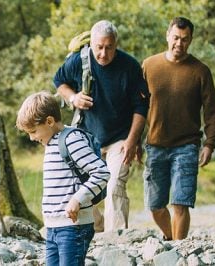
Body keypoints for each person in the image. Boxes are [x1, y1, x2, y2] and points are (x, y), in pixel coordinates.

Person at [54, 20, 149, 232]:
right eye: (99, 47)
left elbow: (141, 107)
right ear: (92, 44)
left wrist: (133, 141)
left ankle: (116, 238)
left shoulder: (130, 66)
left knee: (114, 185)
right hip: (87, 137)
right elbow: (59, 81)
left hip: (121, 138)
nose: (103, 53)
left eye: (109, 47)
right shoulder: (80, 61)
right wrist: (73, 98)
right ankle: (95, 230)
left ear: (116, 44)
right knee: (85, 186)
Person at [141, 17, 215, 241]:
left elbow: (212, 111)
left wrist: (209, 144)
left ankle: (179, 251)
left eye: (185, 40)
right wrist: (134, 141)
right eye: (176, 38)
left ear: (191, 40)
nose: (179, 43)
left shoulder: (200, 71)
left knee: (180, 203)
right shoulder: (149, 65)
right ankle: (171, 239)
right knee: (155, 206)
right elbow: (136, 107)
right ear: (167, 36)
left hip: (187, 146)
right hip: (155, 144)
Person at [16, 92, 109, 266]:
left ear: (49, 122)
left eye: (33, 131)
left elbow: (101, 172)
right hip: (53, 227)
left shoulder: (71, 139)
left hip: (74, 227)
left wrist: (77, 199)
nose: (31, 137)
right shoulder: (51, 142)